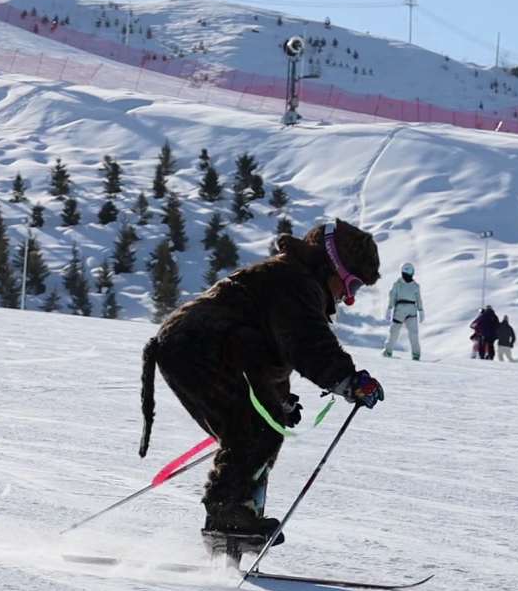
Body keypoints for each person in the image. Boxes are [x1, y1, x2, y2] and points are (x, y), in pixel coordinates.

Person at [138, 219, 384, 555]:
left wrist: (279, 397)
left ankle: (233, 523)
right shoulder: (295, 282)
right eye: (352, 285)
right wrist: (348, 380)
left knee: (263, 425)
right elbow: (306, 342)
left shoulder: (292, 279)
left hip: (196, 346)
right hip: (196, 344)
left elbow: (263, 350)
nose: (349, 299)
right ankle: (228, 515)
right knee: (255, 427)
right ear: (332, 265)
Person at [382, 262, 424, 360]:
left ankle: (416, 353)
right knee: (394, 332)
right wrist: (389, 307)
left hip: (410, 311)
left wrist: (420, 310)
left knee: (413, 333)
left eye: (410, 270)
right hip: (401, 310)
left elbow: (418, 299)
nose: (409, 273)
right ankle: (388, 350)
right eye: (407, 270)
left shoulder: (415, 286)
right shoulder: (398, 284)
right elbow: (392, 296)